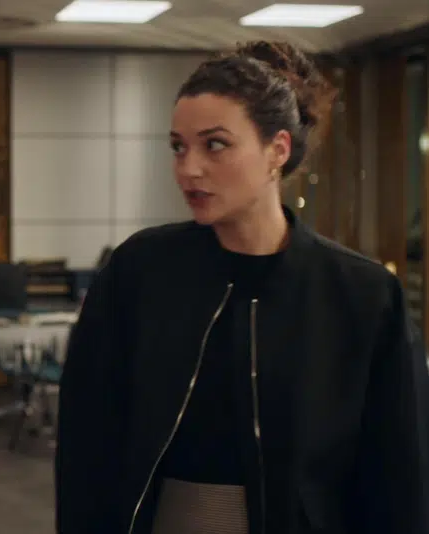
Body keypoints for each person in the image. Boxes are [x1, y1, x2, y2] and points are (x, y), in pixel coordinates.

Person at [55, 40, 429, 534]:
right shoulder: (138, 273)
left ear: (278, 150)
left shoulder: (363, 295)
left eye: (215, 145)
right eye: (178, 147)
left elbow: (398, 476)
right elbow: (86, 446)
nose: (188, 168)